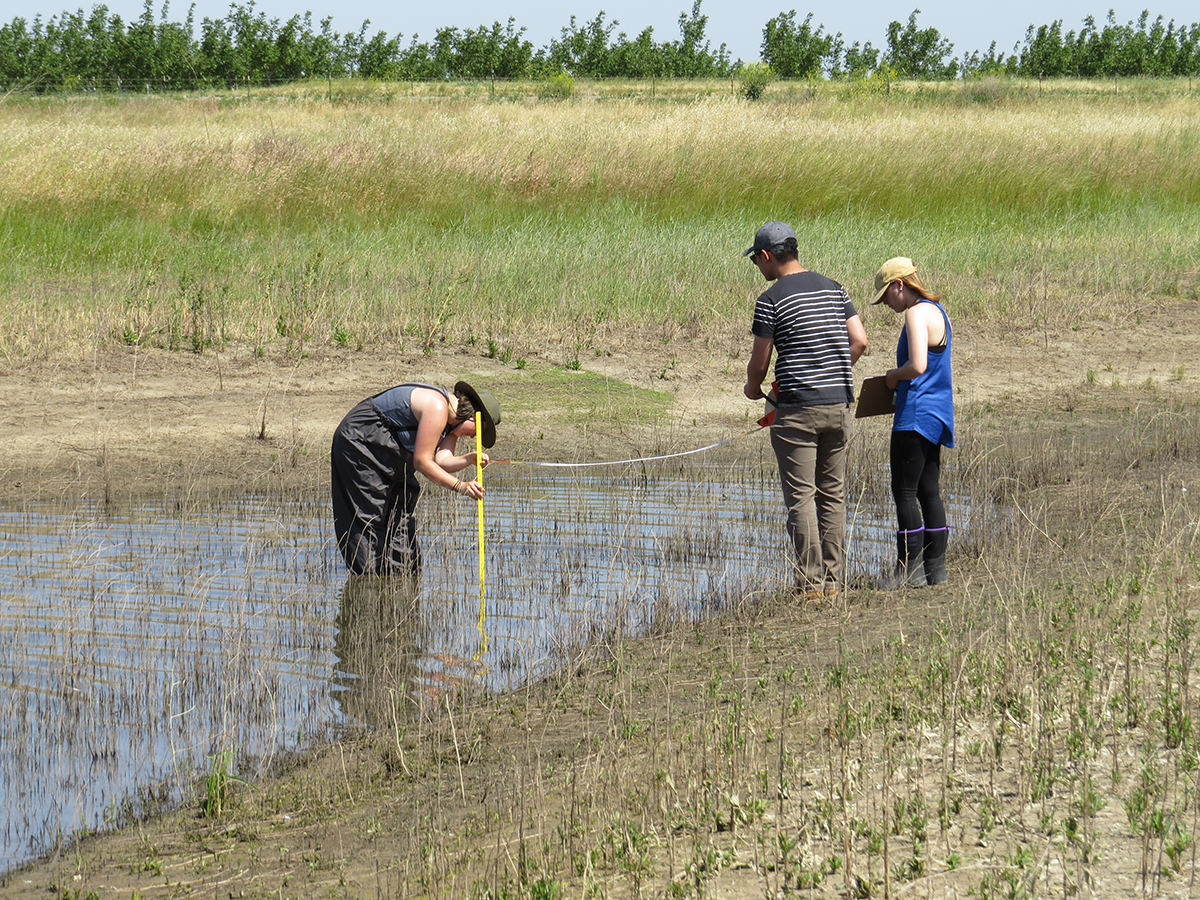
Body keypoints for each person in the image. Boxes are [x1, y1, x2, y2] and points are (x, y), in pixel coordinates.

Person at [743, 221, 868, 598]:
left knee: (801, 498)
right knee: (833, 495)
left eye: (756, 261)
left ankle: (811, 583)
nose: (758, 269)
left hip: (796, 410)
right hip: (838, 403)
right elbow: (859, 340)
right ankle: (834, 581)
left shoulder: (771, 301)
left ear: (767, 256)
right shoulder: (835, 288)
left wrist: (752, 389)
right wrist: (833, 371)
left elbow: (760, 365)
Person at [331, 381, 501, 576]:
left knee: (401, 510)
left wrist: (468, 459)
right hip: (360, 442)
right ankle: (368, 585)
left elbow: (442, 460)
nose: (473, 438)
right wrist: (460, 486)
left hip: (391, 455)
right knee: (368, 516)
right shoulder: (437, 407)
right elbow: (422, 462)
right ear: (473, 419)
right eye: (478, 432)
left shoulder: (452, 425)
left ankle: (402, 585)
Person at [871, 257, 953, 588]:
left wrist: (892, 376)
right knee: (929, 491)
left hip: (914, 414)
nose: (886, 303)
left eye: (886, 295)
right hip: (938, 412)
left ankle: (908, 569)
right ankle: (936, 569)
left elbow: (917, 365)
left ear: (899, 285)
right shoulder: (938, 311)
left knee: (904, 492)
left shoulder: (916, 313)